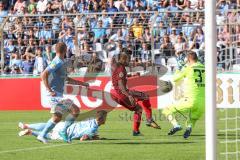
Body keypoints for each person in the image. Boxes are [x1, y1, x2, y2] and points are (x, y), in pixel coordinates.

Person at [39, 42, 89, 143]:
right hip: (53, 95)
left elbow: (67, 79)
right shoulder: (57, 61)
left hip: (56, 94)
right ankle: (63, 131)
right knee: (75, 110)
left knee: (57, 117)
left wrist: (82, 84)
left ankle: (41, 135)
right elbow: (44, 74)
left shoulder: (61, 62)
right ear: (65, 50)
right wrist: (49, 89)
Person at [111, 53, 161, 136]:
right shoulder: (121, 69)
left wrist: (132, 75)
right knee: (138, 109)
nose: (129, 61)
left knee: (145, 97)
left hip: (117, 93)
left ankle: (148, 120)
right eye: (128, 59)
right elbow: (121, 85)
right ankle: (138, 129)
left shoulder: (118, 67)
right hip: (121, 93)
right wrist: (129, 95)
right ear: (123, 59)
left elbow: (120, 78)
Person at [162, 51, 205, 139]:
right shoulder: (205, 68)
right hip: (203, 101)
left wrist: (179, 68)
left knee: (166, 110)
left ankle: (176, 125)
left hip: (190, 99)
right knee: (193, 118)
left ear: (189, 59)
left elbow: (175, 78)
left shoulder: (188, 68)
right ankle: (189, 128)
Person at [18, 110, 107, 142]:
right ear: (101, 119)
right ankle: (31, 132)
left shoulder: (89, 119)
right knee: (49, 136)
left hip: (64, 125)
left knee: (47, 126)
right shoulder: (93, 129)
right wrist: (92, 138)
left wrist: (96, 137)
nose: (106, 120)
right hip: (66, 133)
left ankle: (26, 125)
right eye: (105, 118)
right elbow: (83, 138)